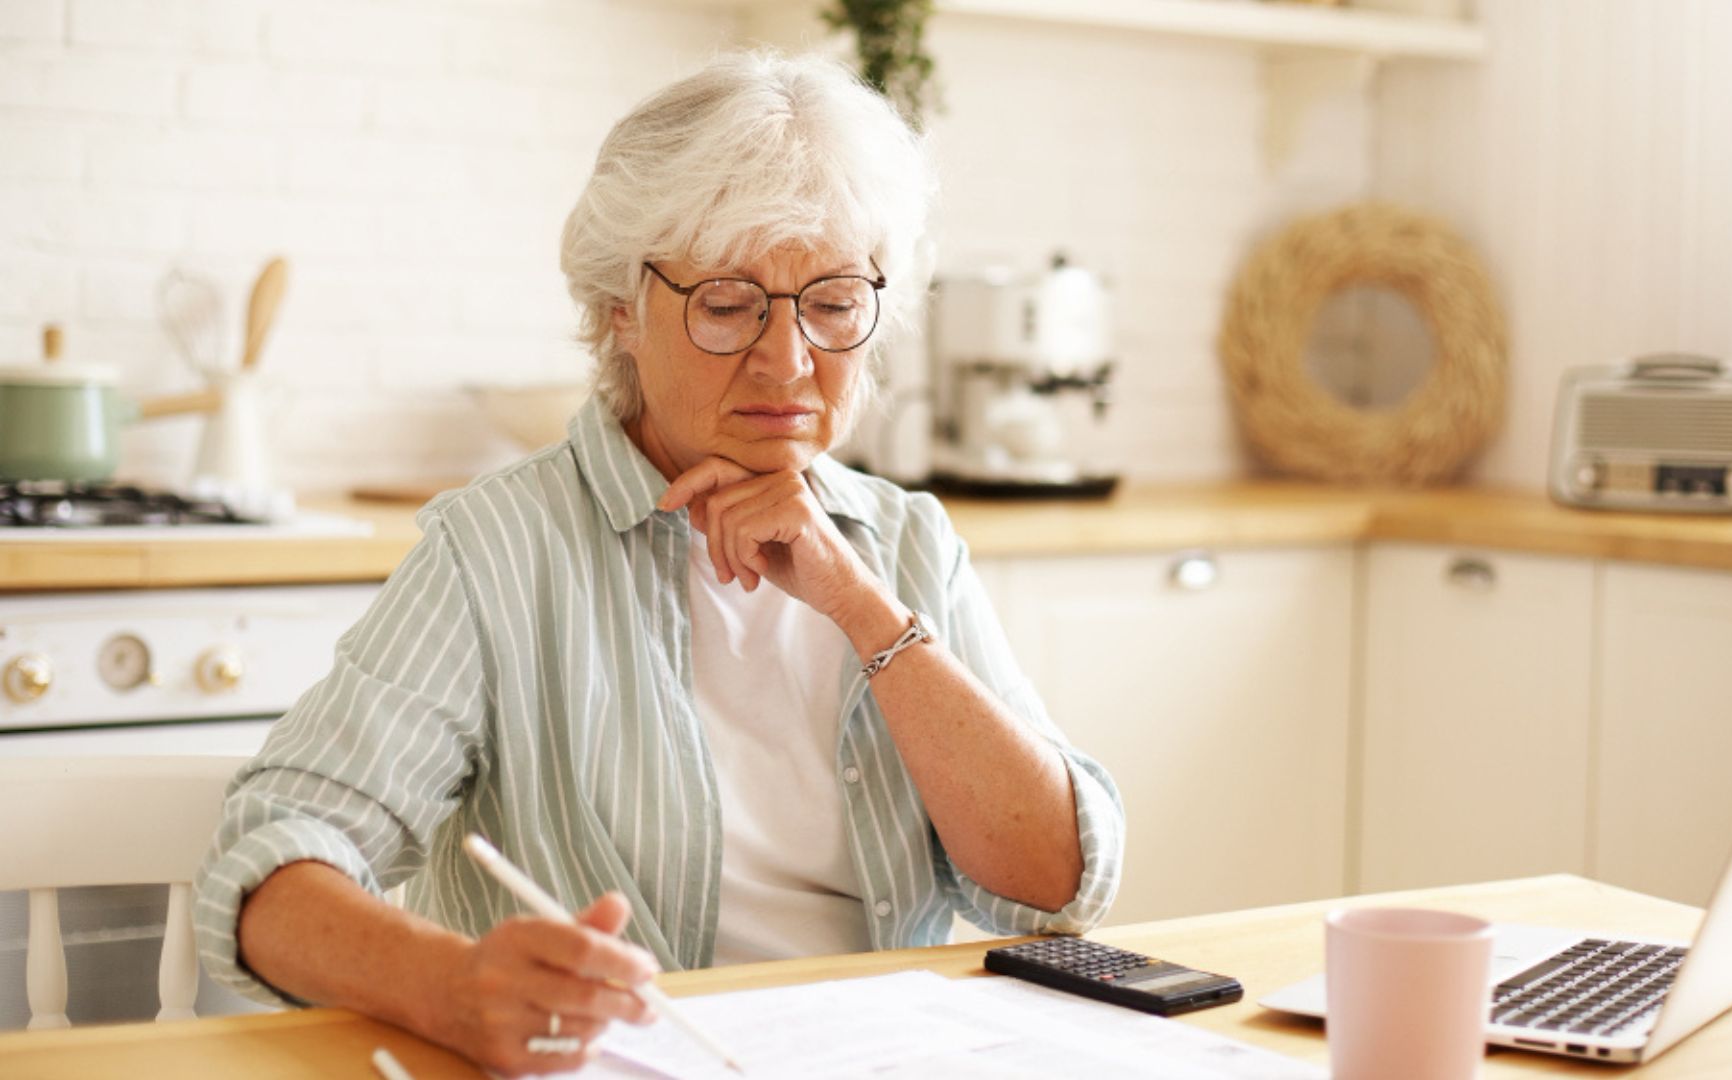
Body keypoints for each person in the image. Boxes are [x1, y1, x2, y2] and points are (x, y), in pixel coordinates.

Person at [194, 50, 1124, 1076]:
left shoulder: (905, 541)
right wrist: (453, 989)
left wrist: (861, 608)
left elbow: (1056, 881)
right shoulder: (500, 548)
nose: (788, 360)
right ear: (617, 311)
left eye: (832, 299)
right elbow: (269, 869)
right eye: (727, 304)